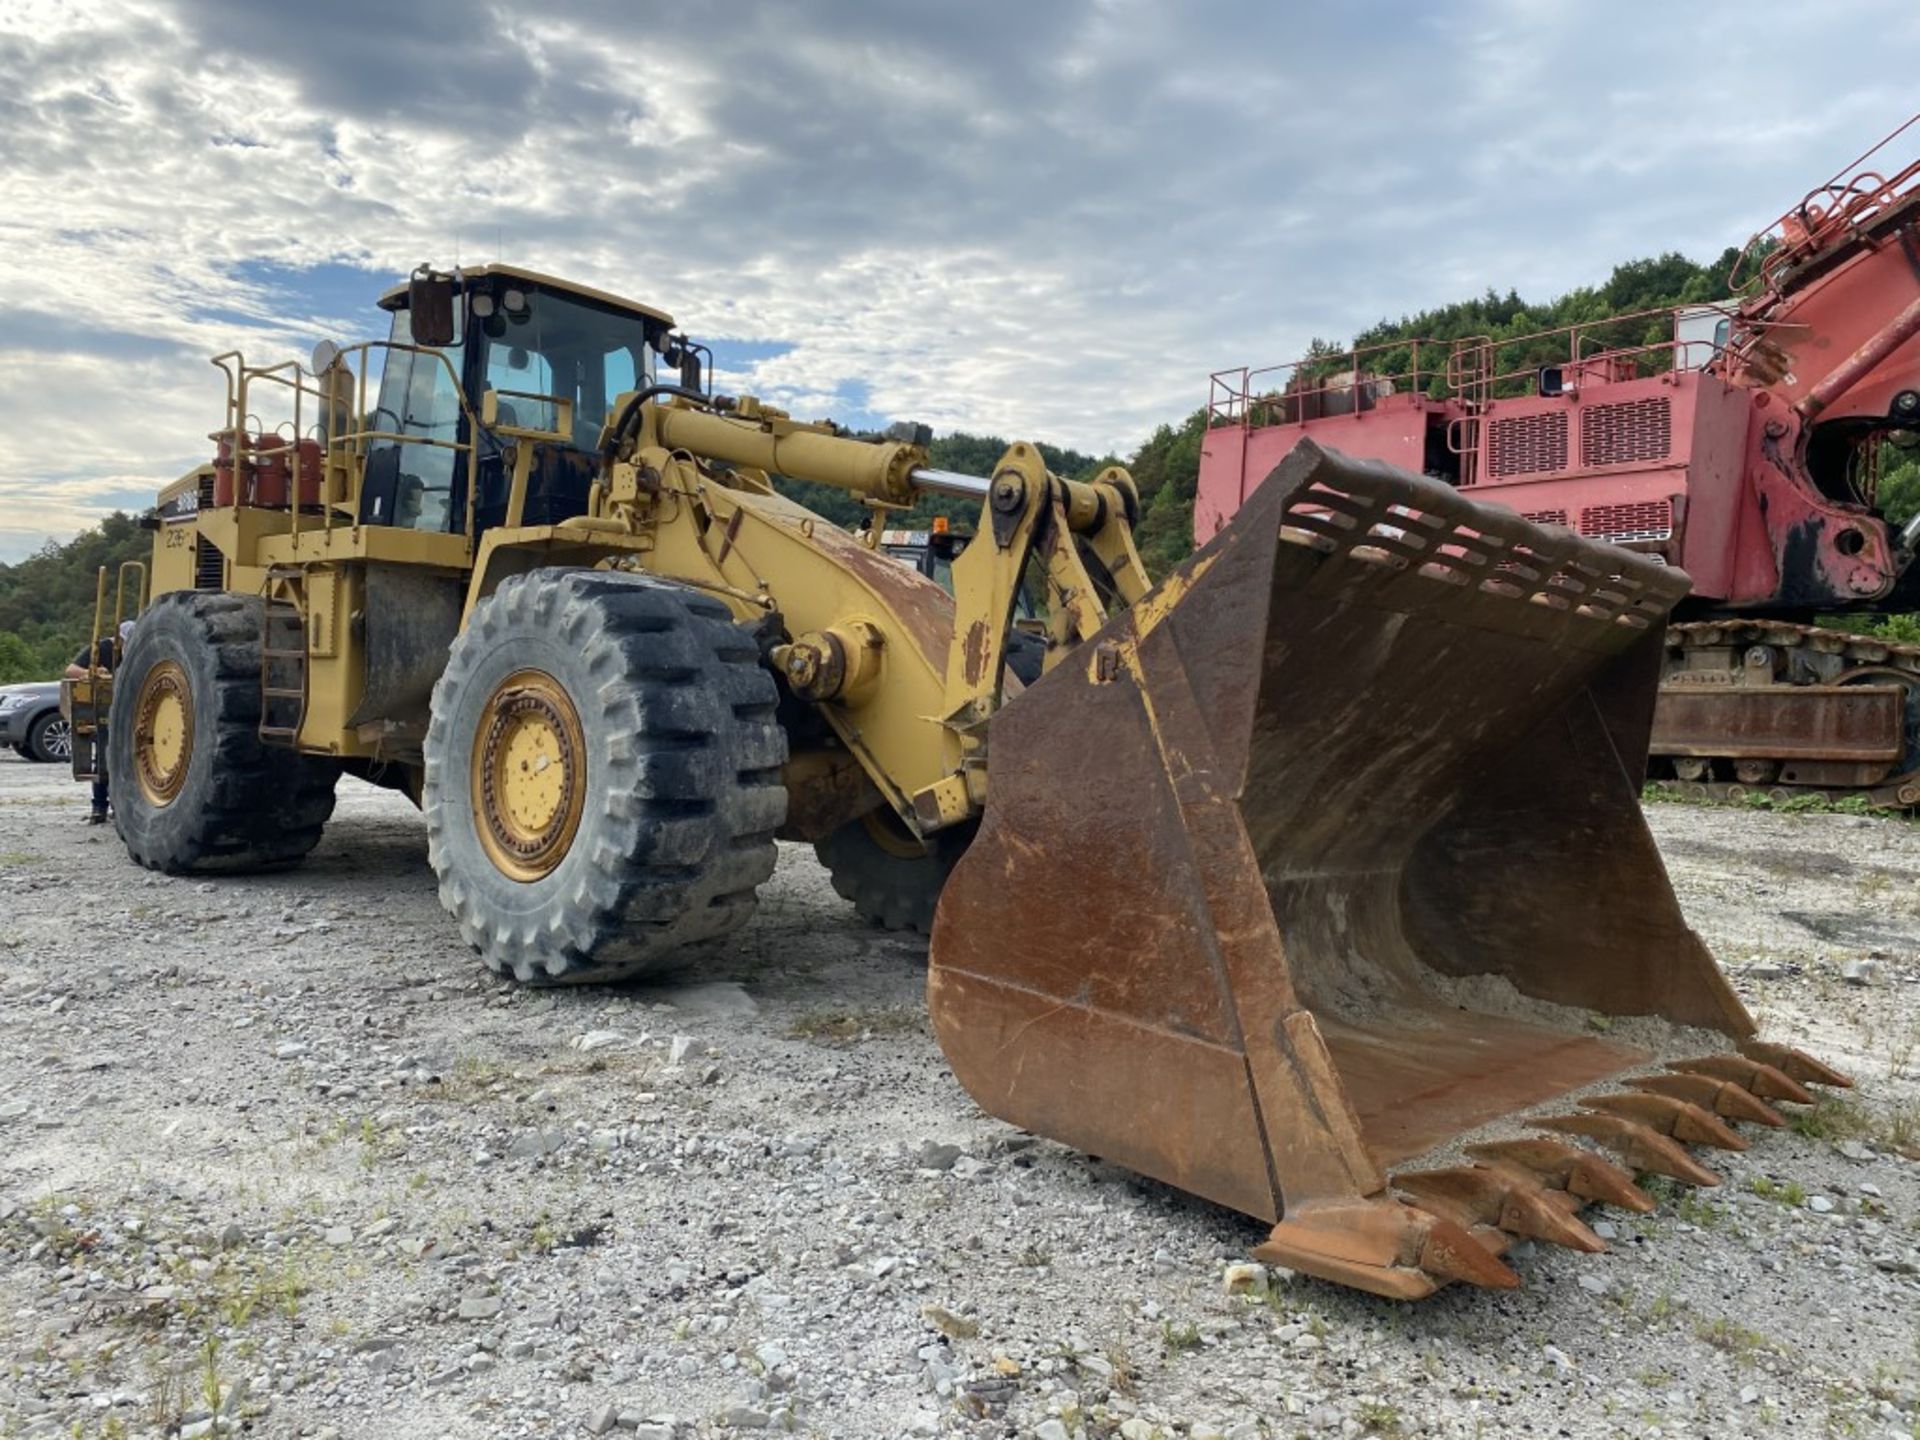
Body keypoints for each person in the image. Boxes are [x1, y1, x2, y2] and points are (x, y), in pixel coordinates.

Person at [64, 621, 133, 825]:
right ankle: (99, 807)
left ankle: (119, 807)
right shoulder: (101, 649)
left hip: (128, 710)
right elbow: (71, 670)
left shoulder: (139, 652)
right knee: (103, 758)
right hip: (103, 709)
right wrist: (93, 674)